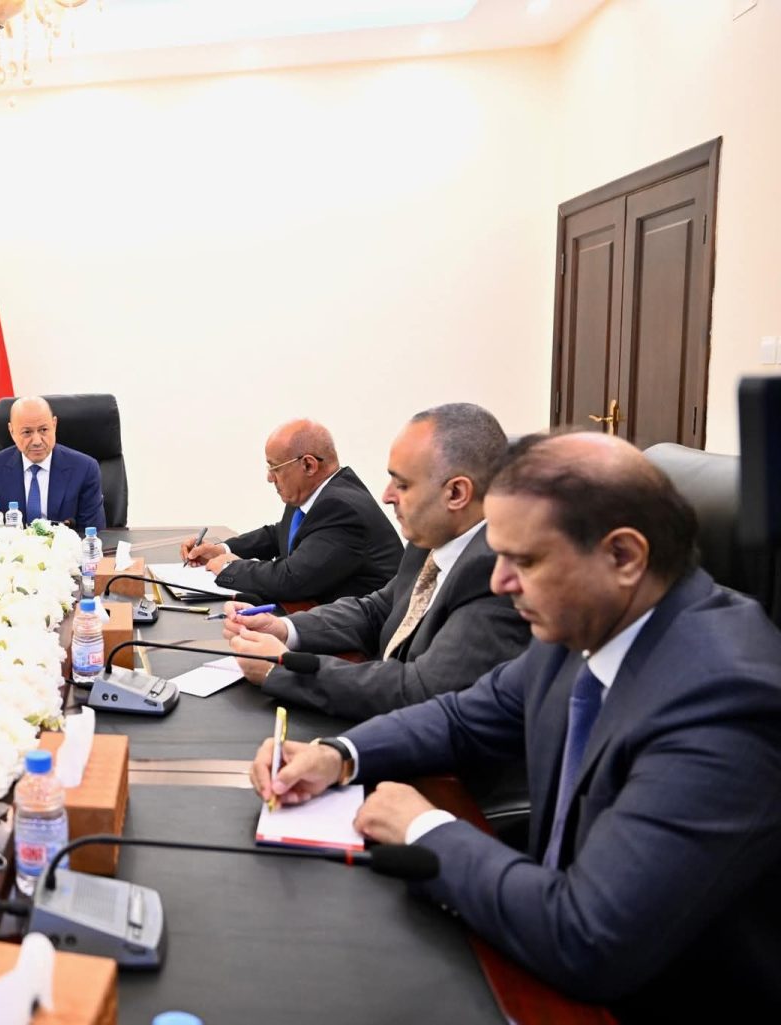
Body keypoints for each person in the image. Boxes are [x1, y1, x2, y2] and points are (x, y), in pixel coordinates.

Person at [252, 432, 781, 1019]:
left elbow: (588, 936)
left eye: (524, 561)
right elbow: (461, 717)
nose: (500, 582)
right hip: (545, 942)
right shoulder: (587, 624)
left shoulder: (724, 701)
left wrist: (424, 828)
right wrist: (339, 754)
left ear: (624, 557)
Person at [221, 404, 529, 720]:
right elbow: (376, 611)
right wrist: (284, 628)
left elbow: (420, 690)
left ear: (456, 493)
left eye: (403, 484)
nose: (386, 496)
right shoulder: (429, 542)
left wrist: (283, 669)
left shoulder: (495, 573)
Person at [181, 419, 400, 605]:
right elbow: (280, 534)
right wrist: (222, 549)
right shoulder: (313, 493)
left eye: (274, 467)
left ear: (308, 465)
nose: (269, 478)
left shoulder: (341, 508)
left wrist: (230, 567)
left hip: (360, 636)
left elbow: (291, 580)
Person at [0, 396, 106, 531]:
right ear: (12, 431)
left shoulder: (85, 469)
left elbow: (93, 533)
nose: (37, 441)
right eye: (27, 432)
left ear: (54, 425)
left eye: (43, 430)